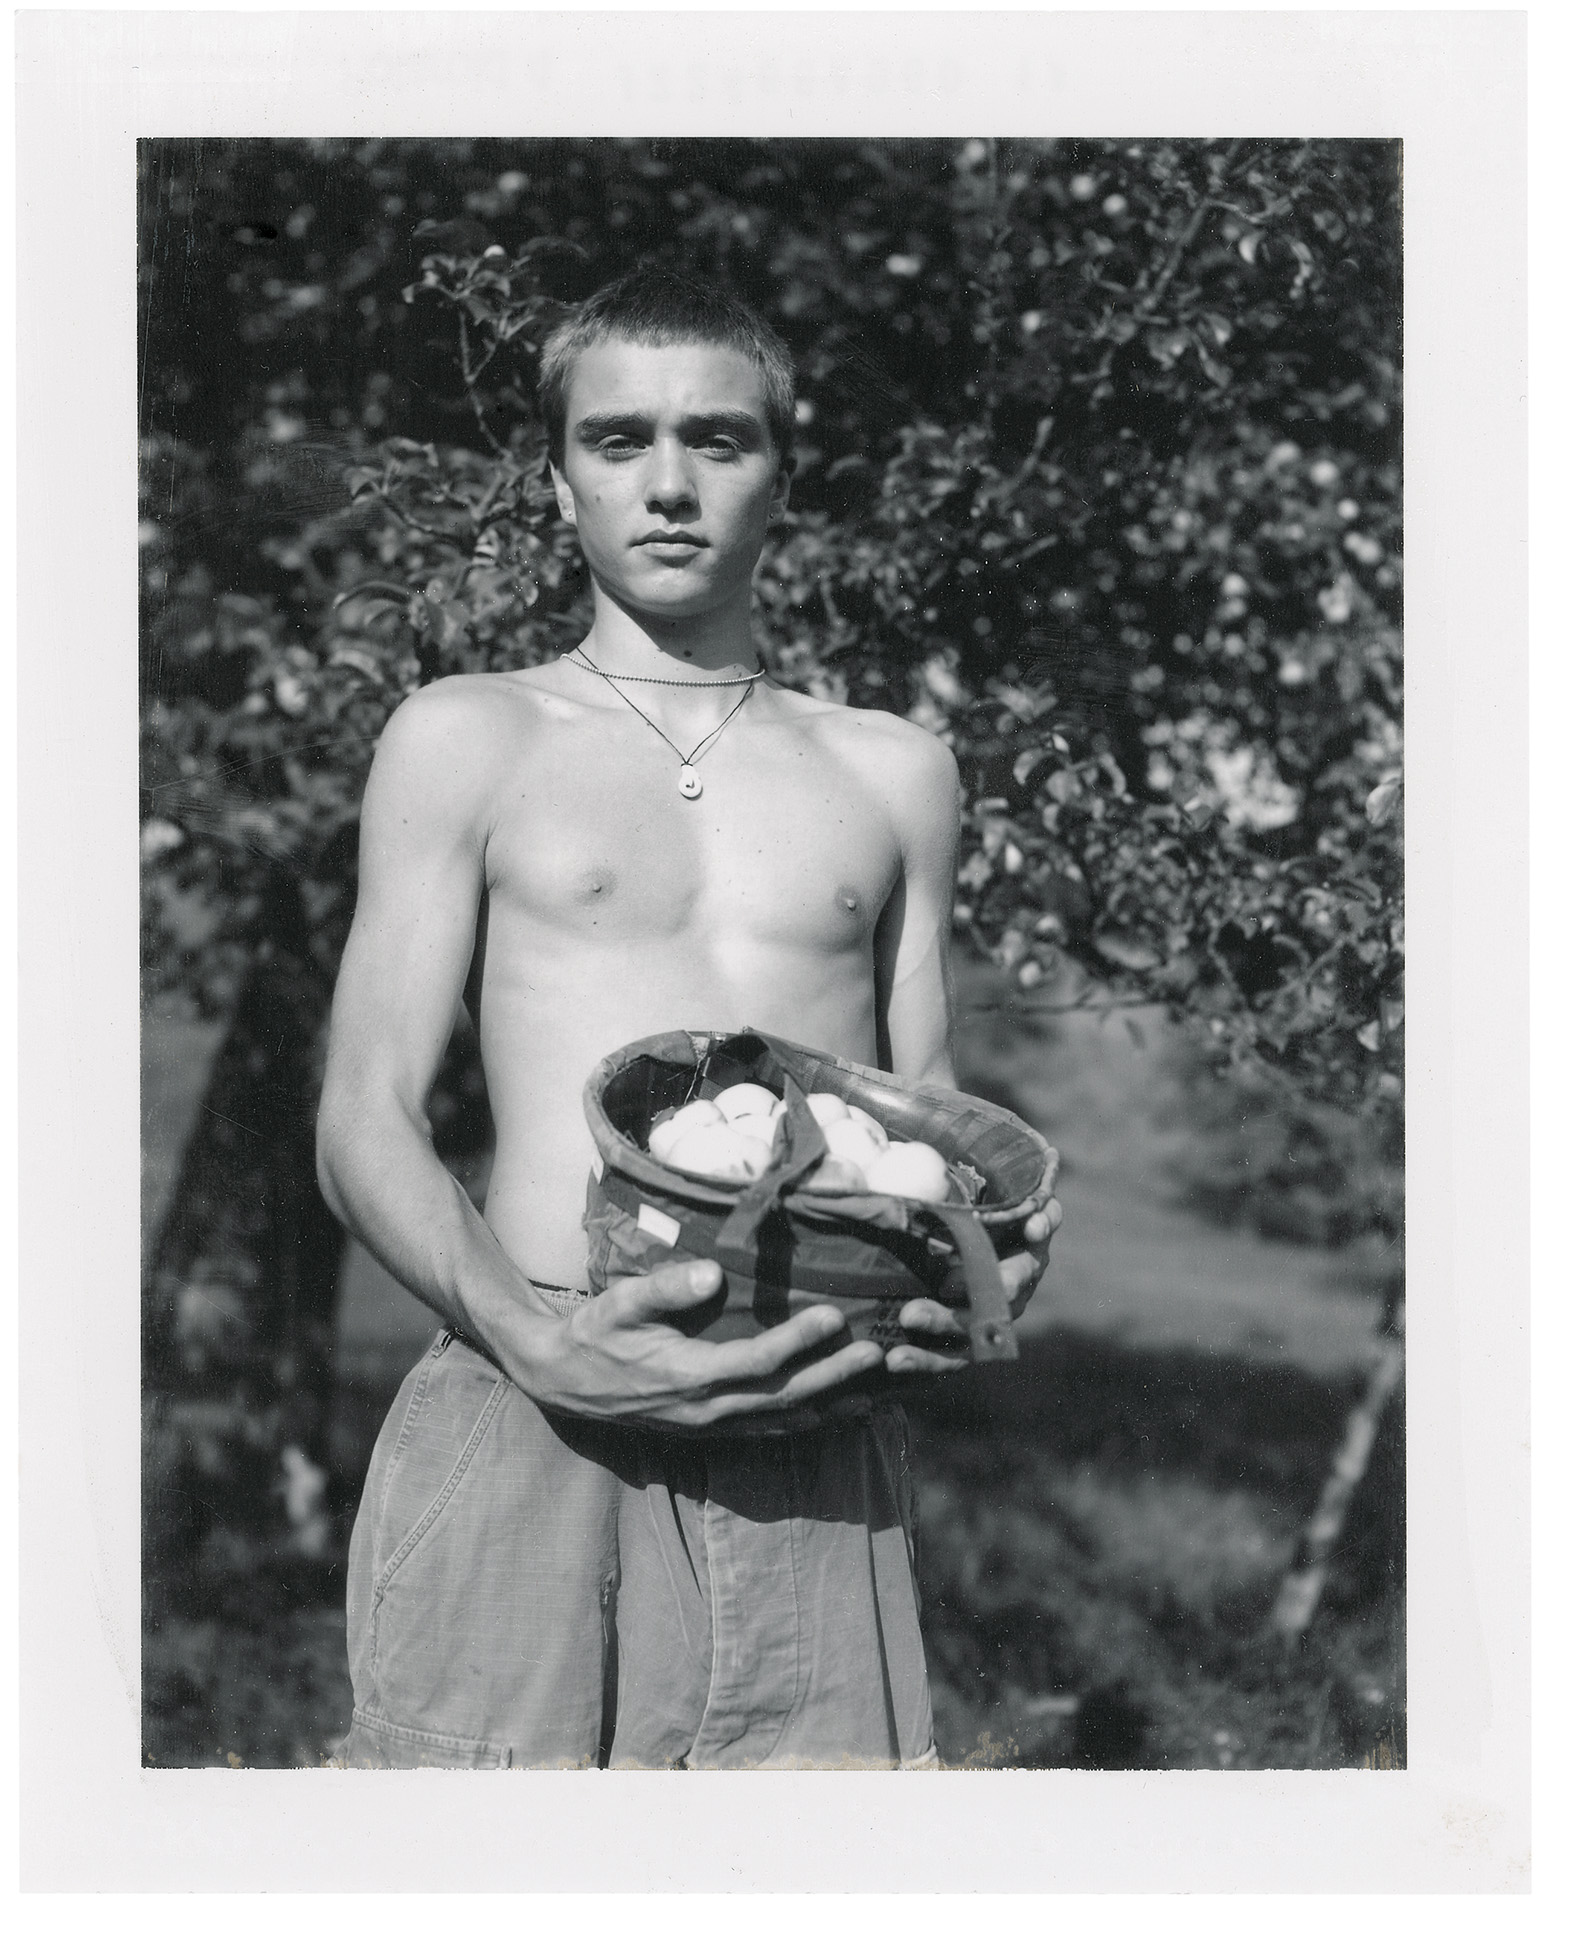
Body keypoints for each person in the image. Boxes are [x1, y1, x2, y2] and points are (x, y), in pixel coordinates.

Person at [317, 265, 1059, 1769]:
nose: (667, 484)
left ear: (785, 473)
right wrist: (538, 1341)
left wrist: (986, 1273)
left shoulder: (896, 771)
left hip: (816, 1438)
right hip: (536, 1414)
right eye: (618, 440)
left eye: (718, 440)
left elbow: (932, 1125)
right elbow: (361, 1117)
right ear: (559, 479)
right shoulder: (469, 733)